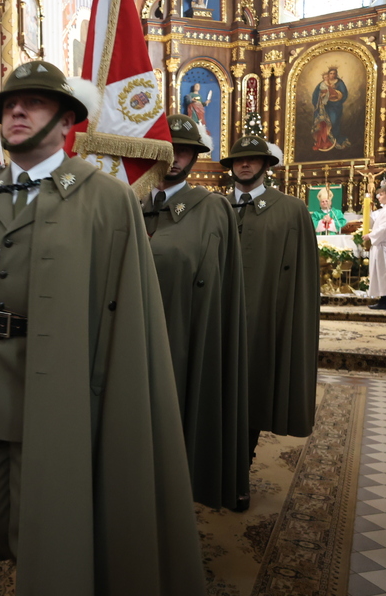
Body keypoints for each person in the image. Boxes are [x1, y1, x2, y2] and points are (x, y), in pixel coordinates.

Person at [0, 61, 205, 595]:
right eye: (6, 106)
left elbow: (129, 311)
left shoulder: (104, 199)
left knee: (50, 535)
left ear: (68, 122)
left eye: (33, 103)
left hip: (63, 397)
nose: (15, 112)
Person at [142, 114, 249, 511]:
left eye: (182, 150)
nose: (172, 158)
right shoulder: (127, 205)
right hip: (134, 342)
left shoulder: (212, 209)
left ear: (194, 157)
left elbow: (225, 287)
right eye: (165, 149)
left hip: (185, 338)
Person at [220, 135, 319, 463]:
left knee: (252, 391)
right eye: (238, 159)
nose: (244, 164)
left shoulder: (291, 210)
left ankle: (241, 465)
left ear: (266, 165)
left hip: (263, 318)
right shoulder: (213, 208)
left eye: (252, 159)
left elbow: (303, 276)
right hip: (214, 319)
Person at [311, 67, 349, 151]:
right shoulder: (323, 83)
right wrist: (321, 96)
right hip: (324, 106)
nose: (332, 75)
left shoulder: (339, 83)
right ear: (328, 74)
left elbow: (344, 94)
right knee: (323, 124)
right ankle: (323, 142)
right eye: (331, 73)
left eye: (334, 73)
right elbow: (316, 95)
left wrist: (336, 96)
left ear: (336, 74)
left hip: (335, 107)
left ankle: (334, 140)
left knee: (333, 121)